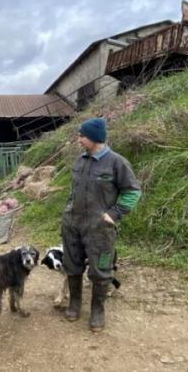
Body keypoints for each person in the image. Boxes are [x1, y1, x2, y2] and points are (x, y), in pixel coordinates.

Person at [61, 117, 142, 332]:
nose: (78, 139)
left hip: (99, 229)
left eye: (82, 136)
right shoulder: (80, 161)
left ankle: (97, 310)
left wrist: (114, 214)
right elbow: (74, 190)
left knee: (101, 269)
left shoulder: (117, 163)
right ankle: (75, 304)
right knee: (72, 265)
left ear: (95, 138)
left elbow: (133, 192)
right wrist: (67, 210)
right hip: (72, 224)